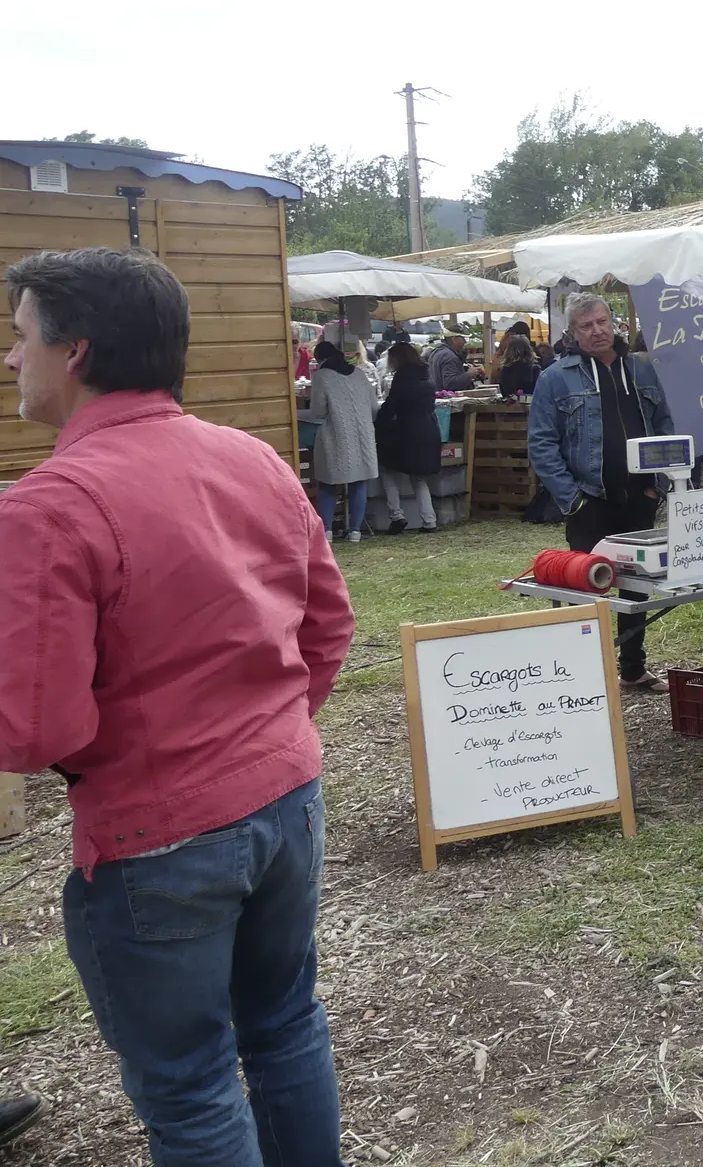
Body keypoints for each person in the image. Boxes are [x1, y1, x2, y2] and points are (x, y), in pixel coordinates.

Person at [0, 247, 353, 1166]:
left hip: (156, 835)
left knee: (191, 1085)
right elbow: (329, 625)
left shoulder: (48, 507)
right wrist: (271, 727)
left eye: (17, 336)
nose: (11, 360)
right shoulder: (253, 458)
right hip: (286, 798)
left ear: (72, 351)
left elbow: (35, 731)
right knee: (283, 1027)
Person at [528, 292, 677, 693]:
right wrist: (572, 499)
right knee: (585, 588)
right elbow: (541, 444)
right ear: (573, 333)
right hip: (589, 500)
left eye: (601, 322)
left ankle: (632, 669)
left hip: (638, 498)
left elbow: (665, 426)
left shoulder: (643, 370)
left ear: (614, 323)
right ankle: (580, 679)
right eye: (586, 326)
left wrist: (657, 485)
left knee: (638, 586)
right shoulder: (556, 378)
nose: (596, 331)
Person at [301, 337, 379, 543]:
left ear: (320, 360)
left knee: (327, 482)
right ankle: (355, 531)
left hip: (334, 435)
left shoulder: (322, 377)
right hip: (363, 436)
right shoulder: (359, 374)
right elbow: (373, 408)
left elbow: (318, 411)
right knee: (358, 482)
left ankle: (326, 531)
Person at [375, 340, 443, 534]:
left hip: (407, 431)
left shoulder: (402, 378)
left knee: (387, 469)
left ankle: (397, 515)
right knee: (419, 478)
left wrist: (379, 424)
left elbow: (390, 406)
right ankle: (429, 521)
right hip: (429, 429)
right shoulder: (425, 374)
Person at [496, 332, 541, 399]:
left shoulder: (504, 369)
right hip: (530, 405)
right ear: (528, 349)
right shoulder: (535, 369)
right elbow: (539, 390)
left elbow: (504, 392)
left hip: (509, 406)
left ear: (509, 349)